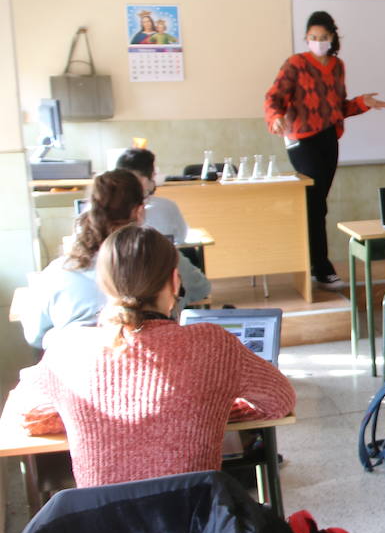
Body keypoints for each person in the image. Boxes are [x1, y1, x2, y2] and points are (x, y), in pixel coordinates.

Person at [5, 225, 295, 488]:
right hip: (196, 531)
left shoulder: (67, 349)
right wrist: (204, 406)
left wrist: (84, 414)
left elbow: (24, 417)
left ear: (103, 285)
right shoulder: (212, 344)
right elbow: (280, 401)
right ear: (174, 280)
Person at [264, 10, 385, 290]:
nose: (318, 42)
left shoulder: (337, 65)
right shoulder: (295, 64)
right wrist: (275, 117)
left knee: (318, 204)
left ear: (332, 37)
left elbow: (337, 107)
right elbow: (274, 97)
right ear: (306, 38)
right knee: (313, 203)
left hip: (328, 138)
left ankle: (315, 265)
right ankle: (319, 265)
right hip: (301, 140)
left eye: (323, 37)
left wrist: (362, 103)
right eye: (312, 37)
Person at [22, 170, 209, 349]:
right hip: (154, 367)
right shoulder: (164, 259)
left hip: (79, 375)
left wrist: (61, 338)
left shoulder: (57, 273)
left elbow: (35, 336)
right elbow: (202, 289)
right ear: (139, 211)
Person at [114, 147, 188, 243]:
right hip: (160, 256)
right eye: (153, 174)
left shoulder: (95, 209)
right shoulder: (166, 207)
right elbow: (181, 238)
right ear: (144, 180)